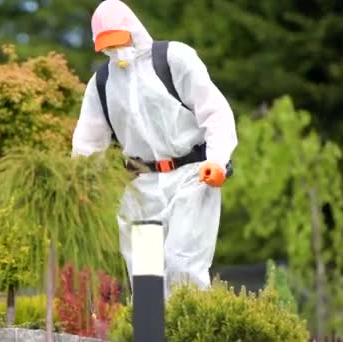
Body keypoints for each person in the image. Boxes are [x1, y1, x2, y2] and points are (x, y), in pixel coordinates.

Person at [71, 0, 238, 298]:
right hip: (141, 189)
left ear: (133, 30)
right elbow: (88, 144)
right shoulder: (102, 83)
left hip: (192, 178)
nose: (115, 50)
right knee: (147, 282)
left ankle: (190, 332)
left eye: (119, 41)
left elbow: (215, 112)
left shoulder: (174, 59)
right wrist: (82, 188)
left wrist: (218, 159)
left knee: (183, 266)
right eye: (107, 45)